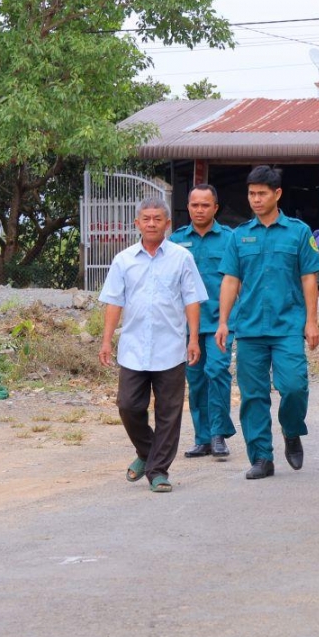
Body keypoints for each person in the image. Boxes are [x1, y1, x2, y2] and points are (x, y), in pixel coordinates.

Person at [215, 165, 319, 480]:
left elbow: (309, 278)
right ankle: (262, 457)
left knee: (293, 386)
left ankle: (291, 430)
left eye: (262, 193)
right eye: (252, 193)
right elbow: (230, 281)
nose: (256, 199)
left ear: (277, 194)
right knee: (253, 396)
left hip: (288, 325)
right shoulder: (239, 235)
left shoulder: (298, 232)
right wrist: (223, 322)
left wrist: (312, 321)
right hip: (249, 329)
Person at [98, 197, 206, 493]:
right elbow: (113, 302)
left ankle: (158, 470)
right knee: (129, 406)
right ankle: (147, 452)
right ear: (137, 223)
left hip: (171, 347)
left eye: (158, 219)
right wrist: (106, 341)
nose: (152, 223)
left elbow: (192, 299)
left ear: (167, 224)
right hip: (133, 347)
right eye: (146, 219)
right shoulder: (123, 260)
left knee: (169, 413)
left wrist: (193, 338)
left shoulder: (182, 258)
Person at [169, 184, 237, 461]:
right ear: (188, 207)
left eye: (205, 205)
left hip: (221, 321)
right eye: (195, 205)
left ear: (215, 208)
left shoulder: (230, 239)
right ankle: (202, 438)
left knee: (217, 371)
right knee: (195, 379)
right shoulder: (175, 240)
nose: (199, 210)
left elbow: (237, 280)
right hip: (187, 325)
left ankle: (219, 434)